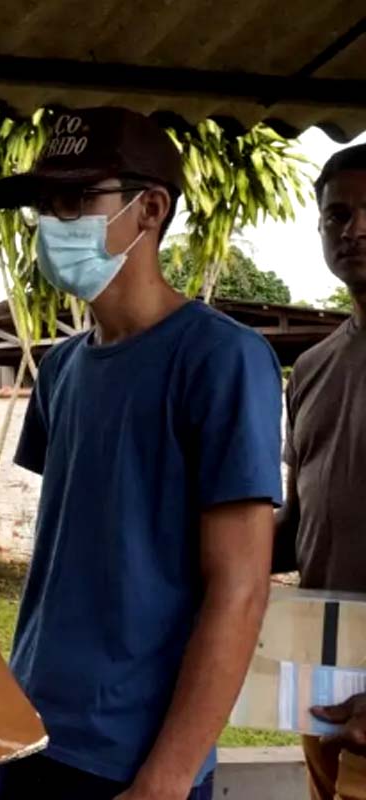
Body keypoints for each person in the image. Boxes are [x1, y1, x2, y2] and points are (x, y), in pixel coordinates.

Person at [0, 108, 282, 800]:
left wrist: (167, 777)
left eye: (75, 200)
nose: (52, 223)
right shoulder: (61, 370)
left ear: (149, 209)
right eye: (43, 205)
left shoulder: (221, 359)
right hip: (28, 729)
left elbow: (240, 588)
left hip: (128, 760)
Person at [274, 143, 366, 800]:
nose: (354, 229)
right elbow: (299, 528)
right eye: (338, 215)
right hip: (325, 680)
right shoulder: (310, 368)